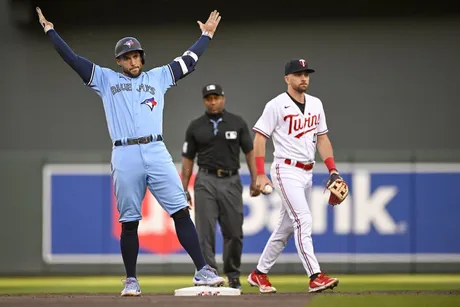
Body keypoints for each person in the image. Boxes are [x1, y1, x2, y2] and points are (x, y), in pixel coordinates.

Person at [36, 7, 226, 296]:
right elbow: (72, 60)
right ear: (119, 61)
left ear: (142, 57)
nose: (133, 60)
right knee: (129, 221)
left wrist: (206, 36)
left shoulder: (159, 77)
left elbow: (189, 61)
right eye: (127, 57)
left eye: (136, 55)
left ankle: (202, 270)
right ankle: (131, 280)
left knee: (180, 211)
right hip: (124, 153)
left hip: (155, 149)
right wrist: (51, 32)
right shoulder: (106, 79)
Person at [247, 59, 343, 293]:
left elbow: (322, 139)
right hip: (285, 168)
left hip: (307, 172)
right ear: (287, 79)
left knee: (287, 227)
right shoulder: (276, 105)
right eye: (298, 74)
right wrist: (259, 174)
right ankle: (315, 276)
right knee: (304, 219)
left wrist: (333, 169)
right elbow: (259, 138)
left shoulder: (316, 104)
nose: (304, 78)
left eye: (306, 74)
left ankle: (259, 273)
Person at [181, 84, 260, 290]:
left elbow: (249, 152)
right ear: (204, 101)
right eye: (209, 98)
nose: (213, 102)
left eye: (216, 97)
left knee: (234, 231)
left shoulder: (237, 122)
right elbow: (187, 159)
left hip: (231, 180)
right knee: (204, 232)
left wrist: (255, 178)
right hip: (205, 180)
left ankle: (233, 275)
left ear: (223, 98)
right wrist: (184, 187)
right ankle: (208, 274)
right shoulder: (195, 126)